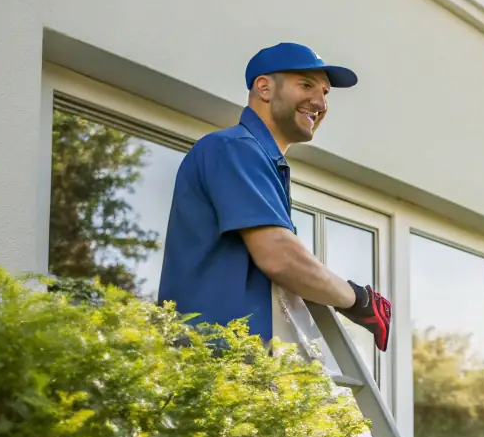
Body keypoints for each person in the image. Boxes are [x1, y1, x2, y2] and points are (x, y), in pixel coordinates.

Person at [159, 42, 390, 351]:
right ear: (264, 88)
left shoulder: (262, 160)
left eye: (325, 92)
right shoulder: (235, 148)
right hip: (214, 358)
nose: (320, 102)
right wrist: (359, 300)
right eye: (306, 85)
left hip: (240, 359)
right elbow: (280, 256)